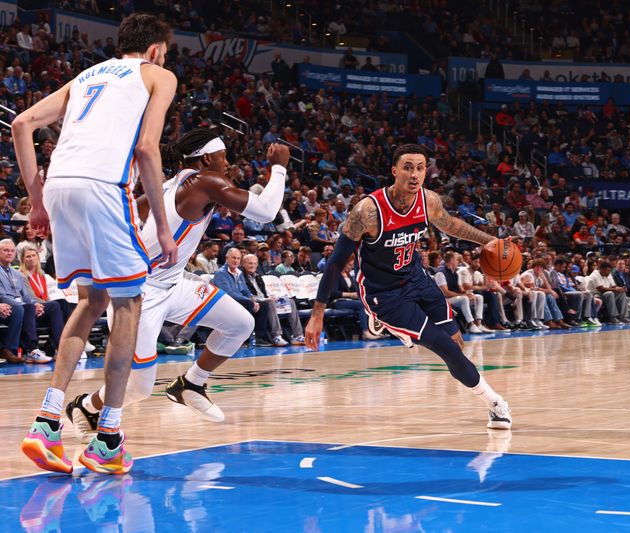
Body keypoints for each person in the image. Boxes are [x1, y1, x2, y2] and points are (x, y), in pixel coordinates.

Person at [14, 13, 179, 476]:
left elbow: (22, 124)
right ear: (154, 51)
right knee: (129, 303)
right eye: (164, 53)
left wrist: (36, 200)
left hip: (60, 185)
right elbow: (148, 148)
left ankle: (46, 422)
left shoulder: (86, 76)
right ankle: (107, 437)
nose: (165, 60)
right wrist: (162, 228)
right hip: (103, 185)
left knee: (90, 302)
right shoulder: (157, 74)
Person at [65, 130, 289, 446]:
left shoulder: (167, 187)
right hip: (141, 293)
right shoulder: (204, 182)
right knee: (139, 388)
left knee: (241, 323)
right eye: (223, 157)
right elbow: (266, 212)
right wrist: (278, 168)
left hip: (173, 284)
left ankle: (190, 384)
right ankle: (86, 407)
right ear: (208, 159)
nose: (227, 164)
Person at [305, 144, 511, 429]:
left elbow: (450, 224)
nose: (415, 174)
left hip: (417, 279)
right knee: (445, 349)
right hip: (383, 294)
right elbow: (336, 262)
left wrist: (486, 240)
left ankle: (401, 331)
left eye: (420, 168)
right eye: (408, 167)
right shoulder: (368, 211)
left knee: (456, 343)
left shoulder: (428, 201)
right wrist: (317, 314)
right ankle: (495, 403)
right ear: (394, 171)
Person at [0, 239, 57, 363]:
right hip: (5, 305)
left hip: (18, 306)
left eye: (12, 251)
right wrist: (25, 304)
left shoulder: (17, 274)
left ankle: (46, 347)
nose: (9, 253)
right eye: (5, 250)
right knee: (21, 308)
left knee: (49, 305)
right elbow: (2, 295)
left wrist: (35, 303)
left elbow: (26, 296)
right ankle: (14, 349)